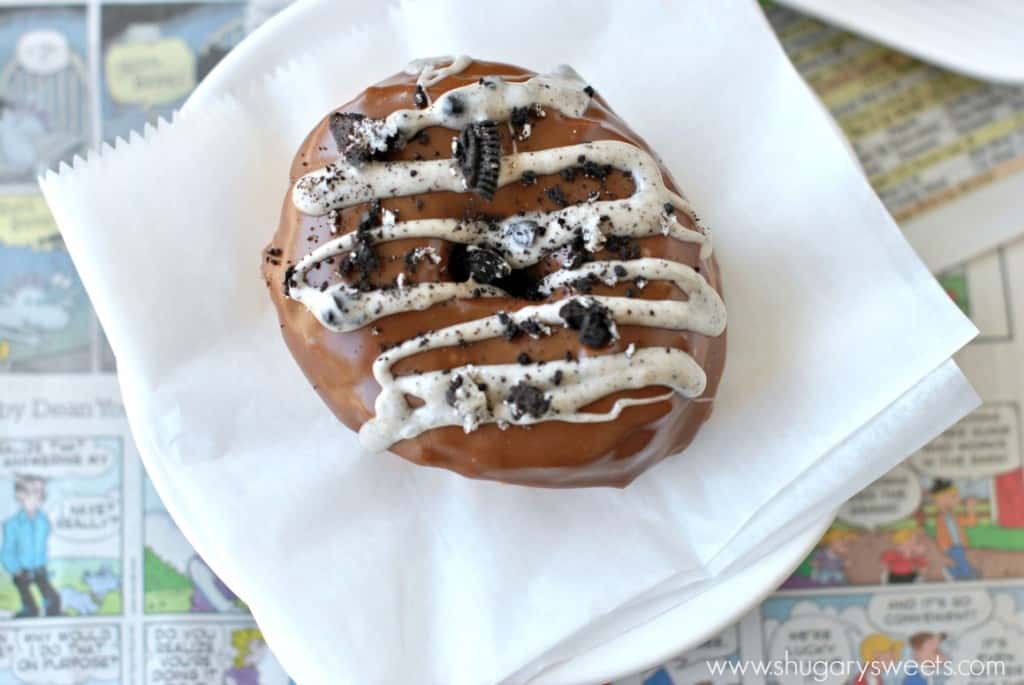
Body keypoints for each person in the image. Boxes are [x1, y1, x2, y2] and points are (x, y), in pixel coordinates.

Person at [1, 475, 61, 617]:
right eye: (33, 492)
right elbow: (7, 551)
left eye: (41, 493)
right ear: (20, 496)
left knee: (53, 598)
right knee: (30, 605)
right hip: (21, 571)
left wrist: (43, 561)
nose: (39, 498)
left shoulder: (43, 521)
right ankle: (28, 613)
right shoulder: (12, 524)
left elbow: (43, 544)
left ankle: (54, 615)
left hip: (40, 569)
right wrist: (15, 569)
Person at [930, 480, 978, 580]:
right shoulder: (940, 519)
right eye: (952, 497)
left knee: (961, 560)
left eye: (954, 497)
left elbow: (971, 522)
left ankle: (954, 571)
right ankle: (962, 573)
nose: (955, 500)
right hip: (950, 546)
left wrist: (970, 509)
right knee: (961, 559)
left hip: (959, 545)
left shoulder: (955, 517)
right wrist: (943, 546)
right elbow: (940, 535)